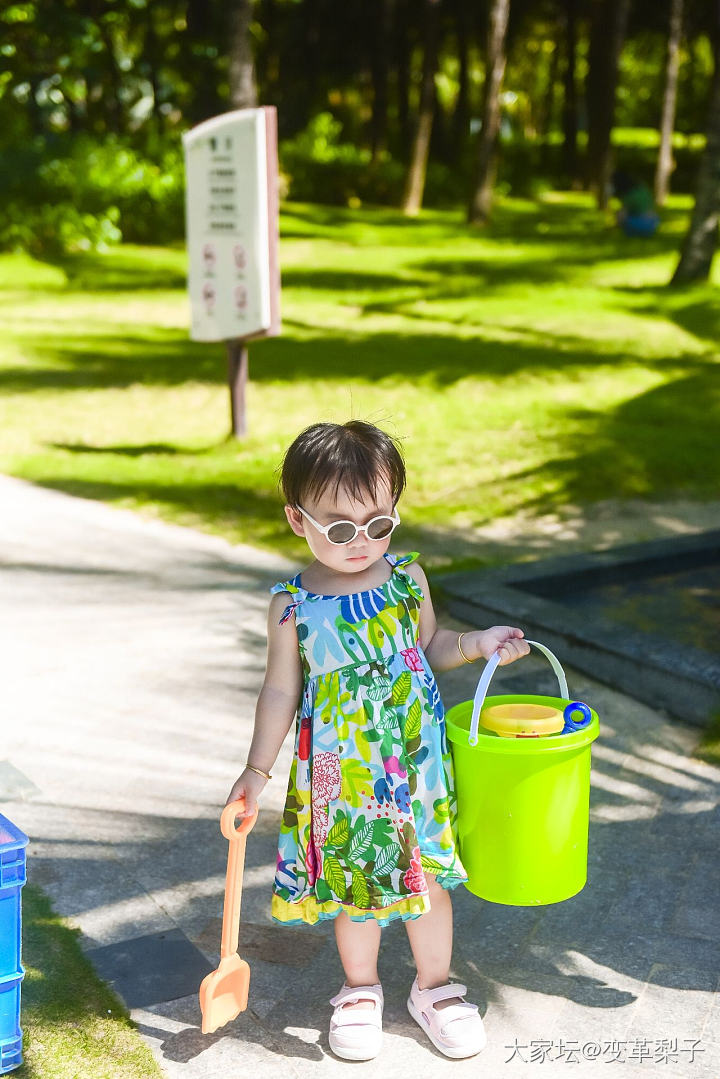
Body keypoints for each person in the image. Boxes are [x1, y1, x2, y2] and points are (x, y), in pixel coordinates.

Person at [225, 420, 530, 1061]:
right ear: (296, 519)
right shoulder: (293, 605)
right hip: (339, 769)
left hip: (415, 763)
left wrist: (479, 645)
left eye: (378, 523)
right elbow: (281, 690)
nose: (360, 542)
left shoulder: (405, 578)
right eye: (338, 527)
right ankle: (360, 991)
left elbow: (429, 646)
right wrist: (257, 770)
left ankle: (436, 988)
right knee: (356, 878)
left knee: (427, 877)